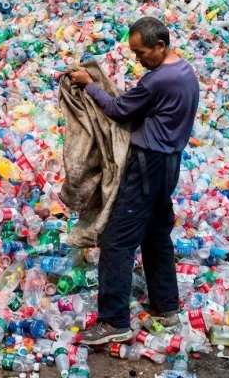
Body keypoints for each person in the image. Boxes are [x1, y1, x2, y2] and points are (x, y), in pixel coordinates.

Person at [67, 17, 200, 345]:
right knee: (156, 236)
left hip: (147, 166)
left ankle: (113, 322)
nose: (139, 59)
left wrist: (89, 83)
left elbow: (117, 109)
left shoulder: (158, 80)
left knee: (116, 241)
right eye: (134, 53)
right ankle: (166, 307)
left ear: (160, 46)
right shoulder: (185, 71)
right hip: (170, 163)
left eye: (142, 53)